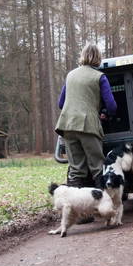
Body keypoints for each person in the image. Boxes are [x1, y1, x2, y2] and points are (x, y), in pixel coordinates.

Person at [55, 43, 117, 189]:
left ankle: (76, 209)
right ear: (98, 58)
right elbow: (112, 106)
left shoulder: (71, 75)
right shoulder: (99, 77)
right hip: (88, 126)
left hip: (68, 126)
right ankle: (102, 206)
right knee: (97, 168)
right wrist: (105, 114)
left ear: (82, 56)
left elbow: (61, 103)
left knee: (76, 170)